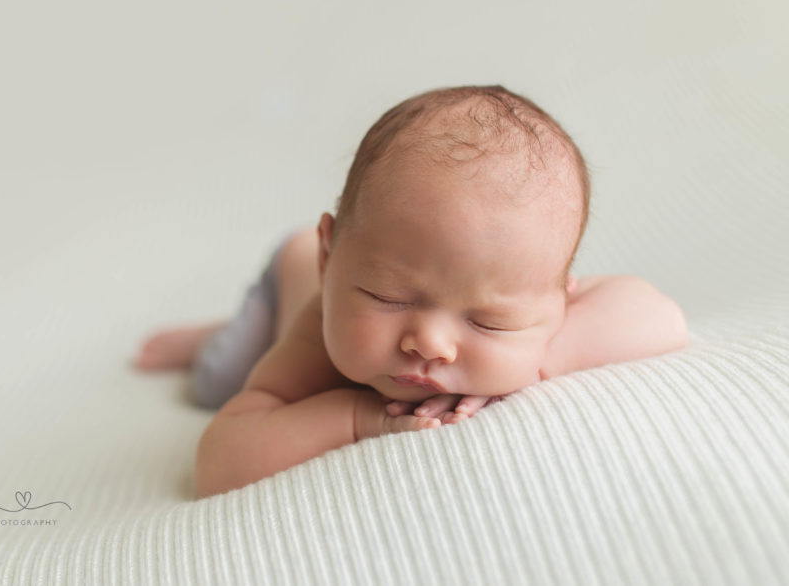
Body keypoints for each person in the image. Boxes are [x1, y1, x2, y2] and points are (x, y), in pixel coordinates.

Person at [135, 85, 690, 498]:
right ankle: (220, 328)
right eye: (389, 297)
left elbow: (662, 318)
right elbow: (220, 463)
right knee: (220, 377)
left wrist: (539, 358)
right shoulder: (316, 331)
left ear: (558, 306)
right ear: (334, 259)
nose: (431, 344)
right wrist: (359, 419)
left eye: (488, 322)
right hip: (291, 284)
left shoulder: (536, 311)